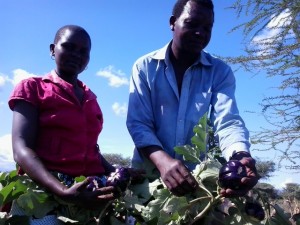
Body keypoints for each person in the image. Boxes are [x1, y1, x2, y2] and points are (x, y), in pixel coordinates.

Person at [126, 0, 259, 197]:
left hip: (196, 184)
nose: (200, 33)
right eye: (191, 24)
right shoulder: (145, 67)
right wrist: (163, 162)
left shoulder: (219, 72)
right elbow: (139, 123)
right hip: (148, 182)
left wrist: (240, 155)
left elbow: (228, 121)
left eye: (207, 27)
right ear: (173, 22)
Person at [8, 25, 119, 224]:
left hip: (89, 194)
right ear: (53, 49)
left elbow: (89, 149)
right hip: (46, 195)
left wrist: (116, 171)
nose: (76, 54)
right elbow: (21, 148)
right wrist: (63, 191)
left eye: (83, 51)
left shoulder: (91, 98)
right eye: (69, 47)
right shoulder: (33, 88)